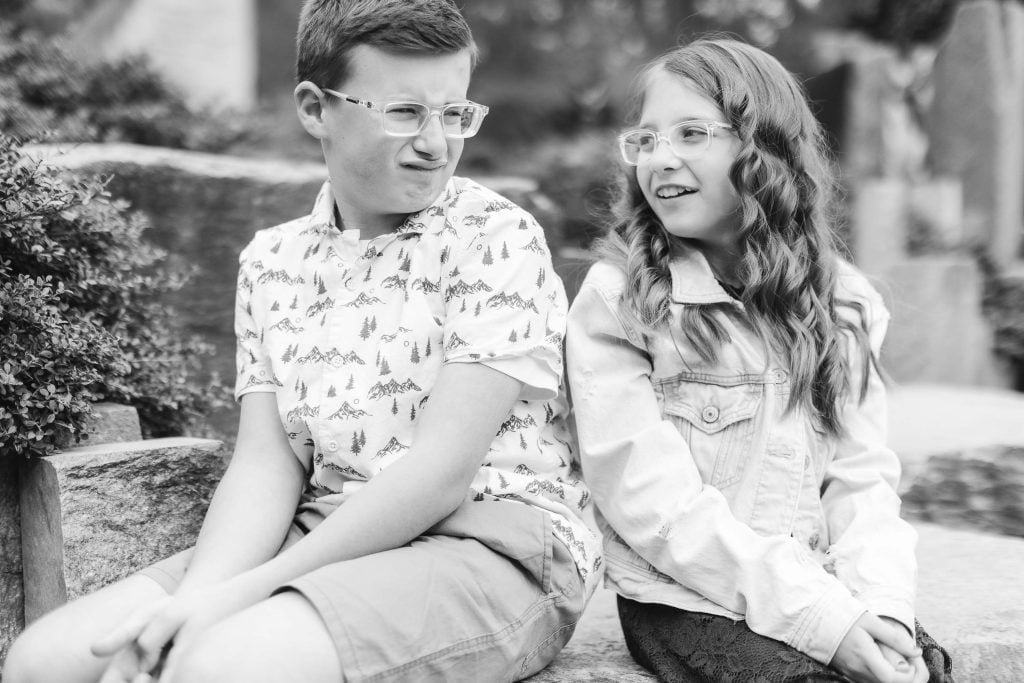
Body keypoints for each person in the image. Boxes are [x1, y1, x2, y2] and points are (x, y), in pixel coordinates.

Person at [3, 2, 601, 682]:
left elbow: (440, 472)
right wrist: (198, 596)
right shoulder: (272, 260)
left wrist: (238, 598)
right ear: (316, 108)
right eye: (405, 112)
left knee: (215, 666)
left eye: (455, 112)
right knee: (46, 661)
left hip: (491, 542)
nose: (436, 142)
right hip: (327, 530)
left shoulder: (496, 239)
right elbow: (267, 463)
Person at [565, 38, 953, 683]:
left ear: (762, 149)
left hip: (815, 581)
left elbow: (861, 481)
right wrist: (828, 624)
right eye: (647, 139)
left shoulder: (844, 301)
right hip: (685, 598)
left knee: (918, 665)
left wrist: (882, 606)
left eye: (691, 133)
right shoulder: (621, 302)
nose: (661, 158)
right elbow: (653, 505)